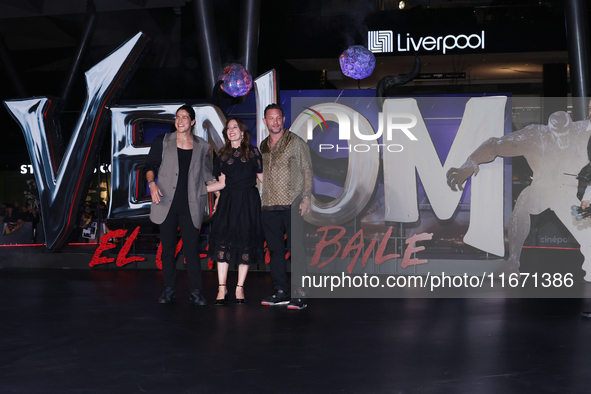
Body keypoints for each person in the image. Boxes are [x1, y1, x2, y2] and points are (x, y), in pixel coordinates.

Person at [447, 111, 591, 278]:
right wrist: (469, 164)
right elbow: (495, 145)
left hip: (566, 192)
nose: (562, 140)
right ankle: (513, 262)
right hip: (541, 188)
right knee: (522, 202)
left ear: (571, 127)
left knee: (586, 235)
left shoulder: (583, 133)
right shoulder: (534, 135)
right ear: (550, 131)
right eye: (557, 135)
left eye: (565, 134)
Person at [145, 104, 218, 306]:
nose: (180, 120)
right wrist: (152, 185)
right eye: (177, 117)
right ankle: (168, 289)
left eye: (185, 117)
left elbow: (207, 175)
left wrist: (219, 191)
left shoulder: (203, 145)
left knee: (192, 250)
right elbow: (150, 166)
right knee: (167, 249)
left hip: (191, 204)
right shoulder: (163, 141)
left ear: (192, 121)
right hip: (165, 202)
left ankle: (196, 291)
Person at [259, 103, 313, 310]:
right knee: (275, 251)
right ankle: (281, 291)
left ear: (283, 119)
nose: (275, 121)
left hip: (293, 202)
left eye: (278, 117)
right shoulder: (263, 146)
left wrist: (307, 197)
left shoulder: (295, 142)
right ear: (265, 121)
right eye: (271, 118)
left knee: (296, 249)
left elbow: (307, 170)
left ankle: (300, 293)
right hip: (269, 206)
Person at [208, 117, 264, 305]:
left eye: (235, 127)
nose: (231, 130)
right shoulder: (222, 154)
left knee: (245, 243)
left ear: (242, 131)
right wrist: (195, 188)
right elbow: (221, 183)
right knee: (223, 243)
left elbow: (263, 179)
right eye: (228, 128)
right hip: (228, 201)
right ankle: (221, 288)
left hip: (248, 200)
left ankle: (240, 288)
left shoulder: (253, 152)